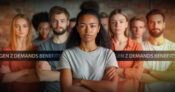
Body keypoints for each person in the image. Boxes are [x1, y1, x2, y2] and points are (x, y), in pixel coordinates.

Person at [58, 10, 118, 92]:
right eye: (83, 26)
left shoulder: (108, 54)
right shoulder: (67, 54)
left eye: (92, 26)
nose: (87, 31)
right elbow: (66, 89)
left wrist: (80, 81)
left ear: (98, 29)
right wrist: (100, 86)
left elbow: (111, 88)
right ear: (77, 28)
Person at [0, 14, 39, 92]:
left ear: (29, 29)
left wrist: (12, 76)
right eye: (17, 26)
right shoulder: (6, 51)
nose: (21, 29)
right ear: (13, 29)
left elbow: (38, 76)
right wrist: (26, 71)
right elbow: (4, 78)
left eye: (24, 26)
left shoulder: (36, 49)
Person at [36, 6, 69, 92]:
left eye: (62, 21)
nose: (58, 25)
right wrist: (71, 75)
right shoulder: (43, 47)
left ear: (67, 22)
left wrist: (52, 73)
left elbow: (82, 75)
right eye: (55, 21)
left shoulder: (76, 44)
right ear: (50, 23)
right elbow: (42, 76)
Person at [108, 9, 143, 92]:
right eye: (113, 22)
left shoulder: (136, 46)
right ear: (110, 24)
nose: (117, 25)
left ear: (126, 24)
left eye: (121, 22)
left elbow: (138, 74)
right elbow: (102, 72)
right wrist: (127, 72)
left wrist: (117, 71)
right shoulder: (105, 46)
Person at [141, 9, 175, 92]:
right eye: (152, 22)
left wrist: (148, 71)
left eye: (159, 22)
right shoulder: (139, 47)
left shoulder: (173, 48)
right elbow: (140, 77)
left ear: (164, 25)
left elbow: (173, 76)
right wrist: (166, 77)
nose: (155, 25)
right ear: (147, 25)